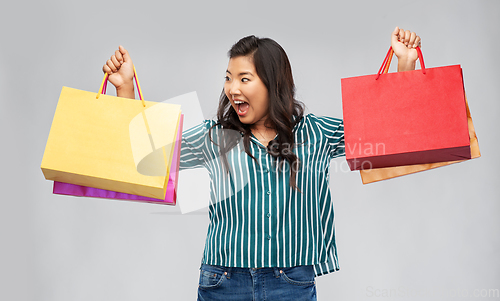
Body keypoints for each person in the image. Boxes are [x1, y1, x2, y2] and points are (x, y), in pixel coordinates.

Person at [102, 27, 422, 301]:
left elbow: (387, 133)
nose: (232, 88)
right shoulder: (215, 137)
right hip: (223, 283)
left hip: (291, 283)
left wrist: (404, 64)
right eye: (229, 78)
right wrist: (125, 87)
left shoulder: (316, 132)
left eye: (244, 78)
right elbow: (146, 155)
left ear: (273, 83)